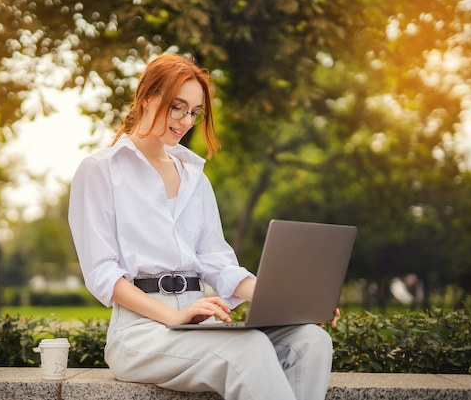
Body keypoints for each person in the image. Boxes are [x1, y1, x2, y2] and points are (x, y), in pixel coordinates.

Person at [68, 53, 337, 399]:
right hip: (140, 334)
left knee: (311, 340)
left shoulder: (195, 178)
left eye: (194, 113)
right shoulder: (100, 169)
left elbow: (219, 264)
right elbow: (102, 274)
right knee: (250, 349)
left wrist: (294, 304)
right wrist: (172, 316)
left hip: (200, 325)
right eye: (177, 107)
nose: (185, 121)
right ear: (147, 97)